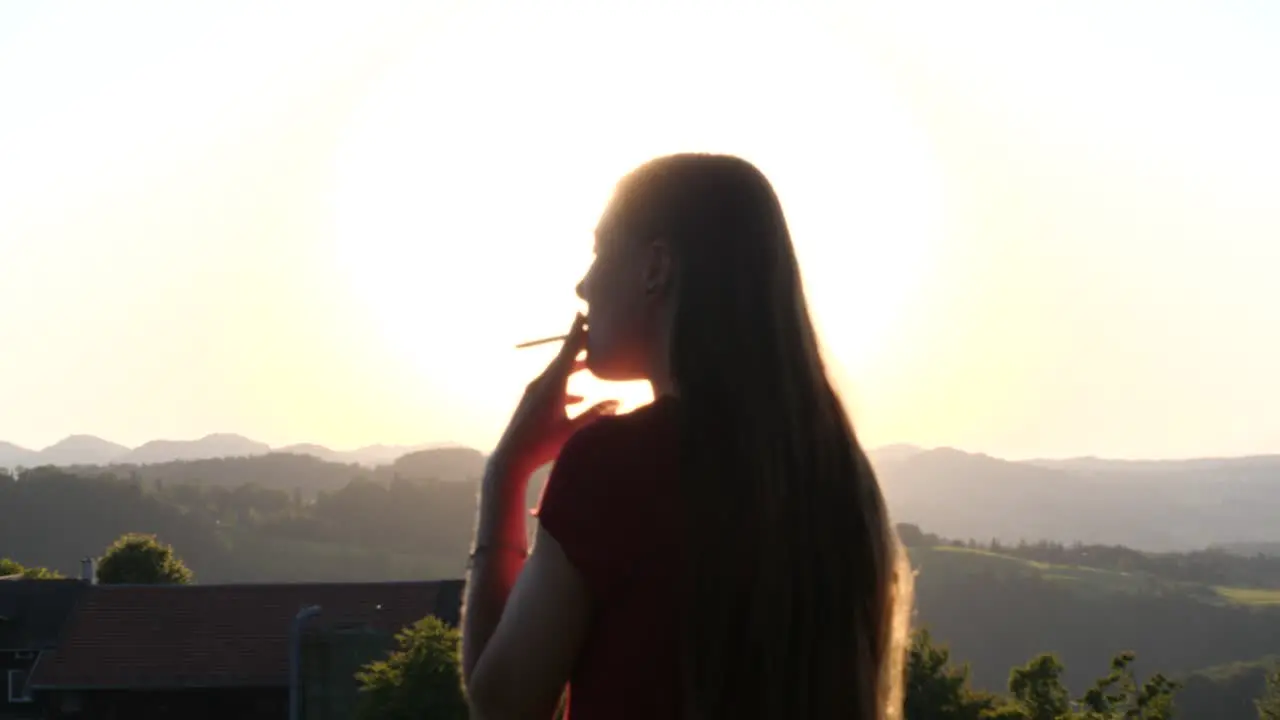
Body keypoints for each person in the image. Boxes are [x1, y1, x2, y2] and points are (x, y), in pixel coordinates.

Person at [460, 153, 913, 720]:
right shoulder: (836, 472)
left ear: (656, 269)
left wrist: (505, 474)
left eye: (600, 252)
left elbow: (501, 706)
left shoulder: (615, 466)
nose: (583, 285)